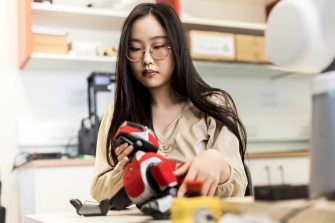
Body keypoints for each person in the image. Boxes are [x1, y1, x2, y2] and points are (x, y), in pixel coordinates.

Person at [91, 3, 247, 203]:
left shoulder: (215, 105)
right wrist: (127, 169)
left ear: (177, 47)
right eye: (136, 49)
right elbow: (98, 191)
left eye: (158, 47)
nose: (147, 59)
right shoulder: (117, 112)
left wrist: (218, 164)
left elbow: (238, 189)